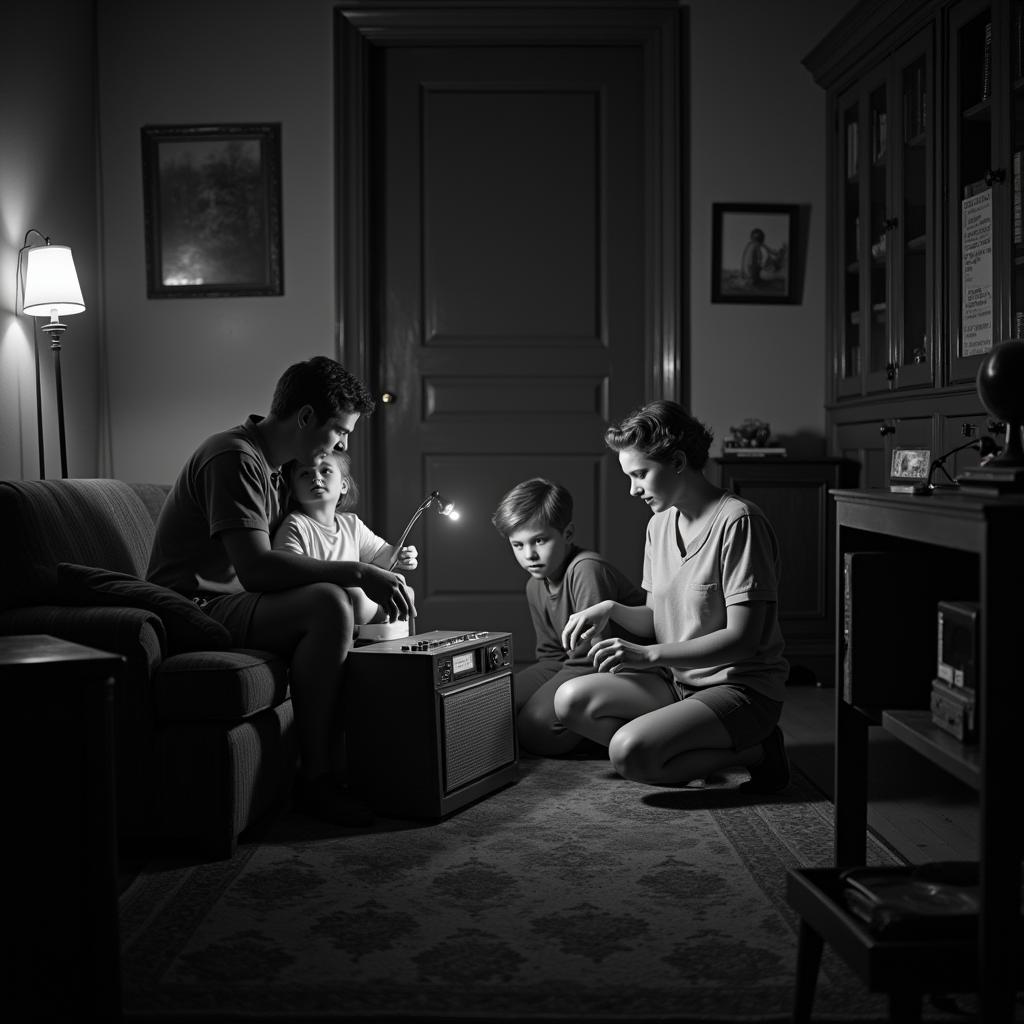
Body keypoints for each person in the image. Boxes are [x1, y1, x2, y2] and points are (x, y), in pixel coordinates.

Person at [147, 356, 415, 825]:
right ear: (306, 417)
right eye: (339, 431)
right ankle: (317, 779)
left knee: (346, 600)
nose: (343, 443)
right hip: (195, 606)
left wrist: (374, 565)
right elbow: (256, 569)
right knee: (331, 601)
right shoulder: (234, 457)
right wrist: (356, 572)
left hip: (234, 603)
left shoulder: (274, 468)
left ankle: (366, 756)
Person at [555, 400, 790, 792]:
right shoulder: (659, 524)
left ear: (678, 461)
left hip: (740, 690)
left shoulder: (739, 522)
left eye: (640, 475)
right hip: (677, 682)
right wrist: (609, 608)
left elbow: (743, 640)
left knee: (629, 754)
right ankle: (679, 743)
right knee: (570, 702)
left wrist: (647, 655)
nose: (633, 489)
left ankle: (758, 750)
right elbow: (658, 617)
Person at [491, 477, 646, 756]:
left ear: (568, 533)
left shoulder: (586, 569)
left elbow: (595, 657)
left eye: (539, 540)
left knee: (535, 727)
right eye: (518, 545)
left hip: (620, 670)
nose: (530, 555)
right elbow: (552, 657)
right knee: (495, 703)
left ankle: (629, 733)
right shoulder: (534, 585)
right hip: (576, 665)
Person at [272, 451, 417, 630]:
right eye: (305, 473)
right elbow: (287, 573)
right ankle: (382, 615)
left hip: (355, 606)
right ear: (293, 492)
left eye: (325, 471)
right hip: (323, 605)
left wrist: (401, 556)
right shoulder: (295, 525)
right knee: (352, 597)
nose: (316, 478)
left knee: (402, 585)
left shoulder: (351, 524)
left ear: (343, 486)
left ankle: (404, 647)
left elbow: (382, 555)